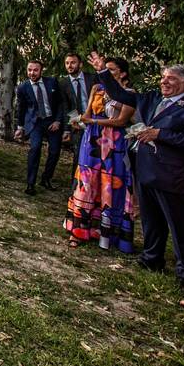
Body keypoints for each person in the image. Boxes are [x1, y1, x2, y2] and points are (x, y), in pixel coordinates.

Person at [88, 52, 184, 289]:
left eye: (171, 78)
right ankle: (151, 258)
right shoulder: (152, 99)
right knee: (150, 219)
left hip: (170, 174)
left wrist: (160, 134)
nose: (164, 81)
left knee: (179, 225)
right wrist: (103, 72)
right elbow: (119, 95)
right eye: (163, 77)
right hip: (145, 169)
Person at [64, 56, 136, 250]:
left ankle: (106, 233)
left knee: (110, 184)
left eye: (111, 70)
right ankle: (78, 230)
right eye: (106, 70)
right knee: (86, 182)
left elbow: (121, 121)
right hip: (91, 140)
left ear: (123, 73)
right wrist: (80, 120)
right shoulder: (97, 89)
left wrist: (94, 122)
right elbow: (88, 113)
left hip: (114, 143)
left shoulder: (128, 94)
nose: (108, 74)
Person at [14, 59, 65, 195]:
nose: (32, 73)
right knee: (35, 149)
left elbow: (60, 103)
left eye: (35, 70)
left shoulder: (52, 82)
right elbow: (21, 108)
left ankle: (46, 178)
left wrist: (58, 121)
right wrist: (20, 127)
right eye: (29, 70)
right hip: (35, 123)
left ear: (41, 70)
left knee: (54, 151)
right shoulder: (23, 87)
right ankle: (30, 184)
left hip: (52, 121)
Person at [59, 52, 98, 181]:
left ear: (80, 64)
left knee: (95, 154)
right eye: (67, 63)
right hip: (78, 123)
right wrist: (68, 128)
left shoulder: (92, 78)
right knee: (78, 155)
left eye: (73, 62)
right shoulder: (63, 83)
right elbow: (66, 106)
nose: (70, 66)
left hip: (96, 121)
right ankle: (76, 186)